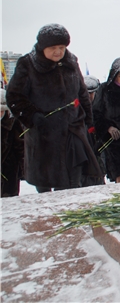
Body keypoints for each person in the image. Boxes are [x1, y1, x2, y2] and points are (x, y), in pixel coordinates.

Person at [6, 23, 101, 192]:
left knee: (72, 182)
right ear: (42, 47)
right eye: (53, 48)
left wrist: (87, 120)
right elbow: (14, 96)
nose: (58, 51)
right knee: (45, 186)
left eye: (62, 47)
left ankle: (70, 213)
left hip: (72, 132)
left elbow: (82, 93)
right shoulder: (27, 65)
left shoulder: (71, 62)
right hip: (43, 136)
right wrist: (32, 116)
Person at [81, 75, 106, 187]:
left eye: (92, 93)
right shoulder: (77, 110)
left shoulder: (101, 107)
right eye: (87, 93)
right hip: (83, 150)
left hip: (99, 149)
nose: (90, 96)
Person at [1, 88, 24, 197]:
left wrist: (23, 169)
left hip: (9, 173)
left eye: (2, 110)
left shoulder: (13, 124)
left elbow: (20, 147)